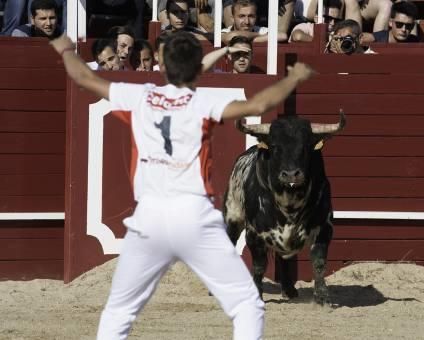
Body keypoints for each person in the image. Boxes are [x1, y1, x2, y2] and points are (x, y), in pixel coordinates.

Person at [49, 30, 314, 340]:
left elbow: (84, 77)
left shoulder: (141, 95)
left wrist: (66, 48)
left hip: (149, 218)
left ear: (161, 64)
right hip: (193, 216)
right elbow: (259, 104)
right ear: (197, 70)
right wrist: (293, 78)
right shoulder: (203, 101)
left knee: (119, 311)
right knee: (246, 305)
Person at [221, 0, 288, 45]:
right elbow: (229, 37)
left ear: (256, 17)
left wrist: (250, 38)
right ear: (233, 18)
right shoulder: (225, 32)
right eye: (242, 16)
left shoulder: (261, 30)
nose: (247, 22)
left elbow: (283, 36)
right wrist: (259, 35)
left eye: (251, 16)